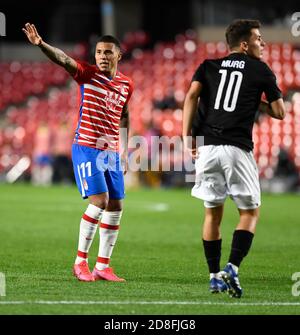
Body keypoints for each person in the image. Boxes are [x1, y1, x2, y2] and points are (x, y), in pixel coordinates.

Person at [182, 19, 285, 298]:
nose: (262, 43)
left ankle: (214, 276)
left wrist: (186, 136)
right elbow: (279, 113)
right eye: (258, 39)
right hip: (237, 148)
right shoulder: (260, 69)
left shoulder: (207, 66)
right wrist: (256, 101)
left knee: (212, 213)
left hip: (206, 149)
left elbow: (192, 96)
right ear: (244, 44)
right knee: (250, 212)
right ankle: (232, 266)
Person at [23, 23, 133, 282]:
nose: (102, 57)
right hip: (87, 146)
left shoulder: (127, 84)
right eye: (98, 52)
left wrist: (125, 148)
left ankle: (103, 266)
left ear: (119, 55)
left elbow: (125, 115)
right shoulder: (87, 74)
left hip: (111, 151)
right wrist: (41, 44)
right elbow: (63, 59)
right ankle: (80, 262)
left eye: (107, 52)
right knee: (100, 201)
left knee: (116, 205)